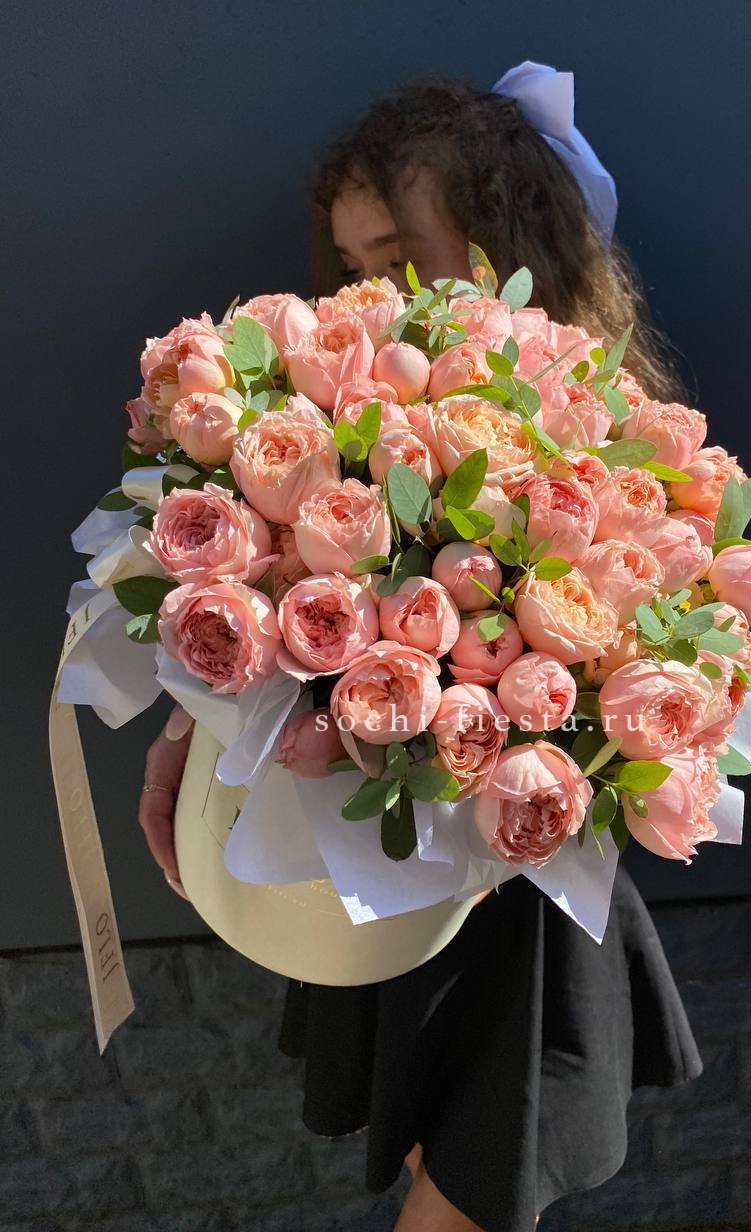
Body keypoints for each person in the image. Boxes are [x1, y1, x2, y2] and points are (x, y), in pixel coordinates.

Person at [139, 67, 705, 1232]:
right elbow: (268, 608)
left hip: (519, 887)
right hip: (390, 872)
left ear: (510, 250)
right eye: (350, 263)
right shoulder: (345, 428)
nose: (369, 293)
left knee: (479, 1176)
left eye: (399, 258)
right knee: (438, 1145)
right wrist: (187, 719)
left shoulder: (599, 445)